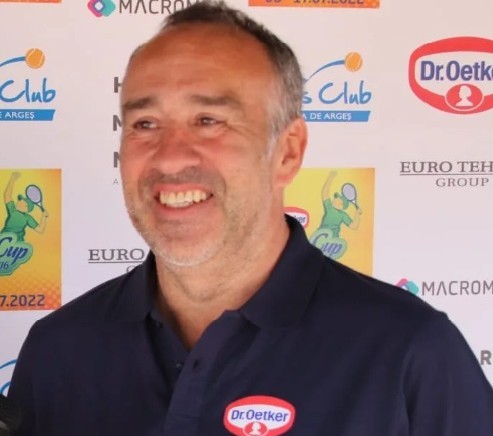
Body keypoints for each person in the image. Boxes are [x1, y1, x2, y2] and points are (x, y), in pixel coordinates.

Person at [8, 1, 493, 435]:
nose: (170, 157)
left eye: (208, 121)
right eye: (145, 124)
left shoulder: (411, 353)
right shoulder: (58, 350)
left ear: (288, 151)